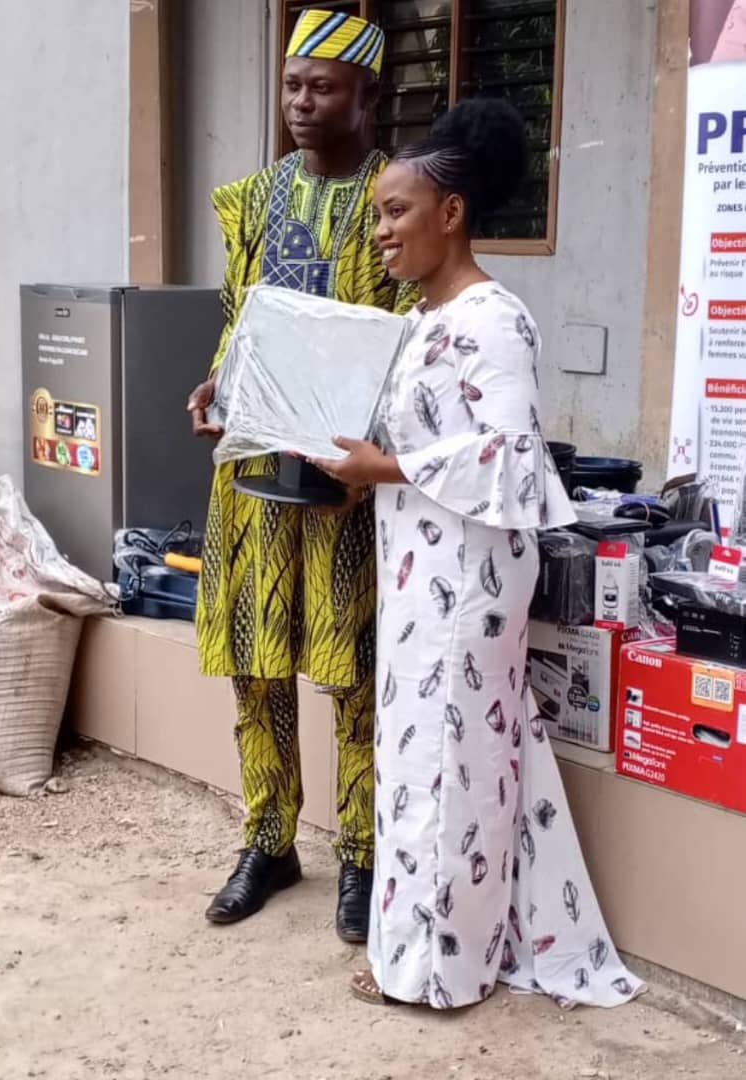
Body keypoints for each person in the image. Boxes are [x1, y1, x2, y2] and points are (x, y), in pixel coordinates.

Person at [310, 98, 646, 1008]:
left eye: (396, 211)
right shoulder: (421, 319)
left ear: (451, 213)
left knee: (446, 758)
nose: (381, 231)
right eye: (379, 214)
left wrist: (385, 467)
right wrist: (357, 476)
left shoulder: (495, 319)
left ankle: (437, 970)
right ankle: (460, 941)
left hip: (468, 578)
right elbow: (420, 446)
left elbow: (510, 453)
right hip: (420, 567)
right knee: (437, 752)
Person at [187, 9, 417, 942]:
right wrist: (214, 383)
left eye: (322, 86)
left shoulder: (396, 199)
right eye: (291, 84)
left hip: (347, 479)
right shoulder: (255, 199)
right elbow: (240, 324)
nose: (301, 102)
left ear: (369, 95)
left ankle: (362, 852)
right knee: (255, 662)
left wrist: (377, 461)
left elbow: (412, 343)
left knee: (352, 671)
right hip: (252, 472)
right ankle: (269, 840)